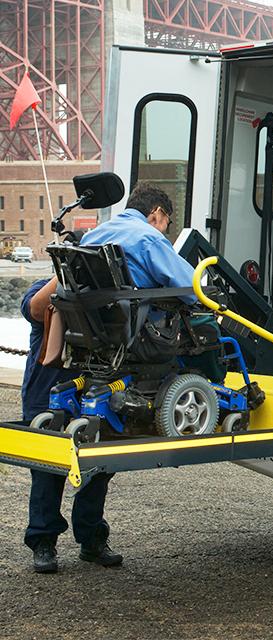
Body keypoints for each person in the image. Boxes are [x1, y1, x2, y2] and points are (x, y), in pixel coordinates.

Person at [24, 183, 194, 573]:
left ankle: (90, 538)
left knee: (98, 462)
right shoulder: (140, 242)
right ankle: (43, 541)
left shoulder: (98, 244)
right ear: (157, 215)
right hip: (52, 380)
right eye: (165, 224)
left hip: (94, 372)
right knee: (52, 464)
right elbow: (189, 287)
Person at [23, 278, 122, 573]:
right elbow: (34, 309)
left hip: (93, 400)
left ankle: (91, 539)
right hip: (46, 397)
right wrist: (62, 276)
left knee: (98, 471)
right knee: (46, 474)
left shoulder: (105, 297)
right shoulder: (42, 288)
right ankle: (43, 541)